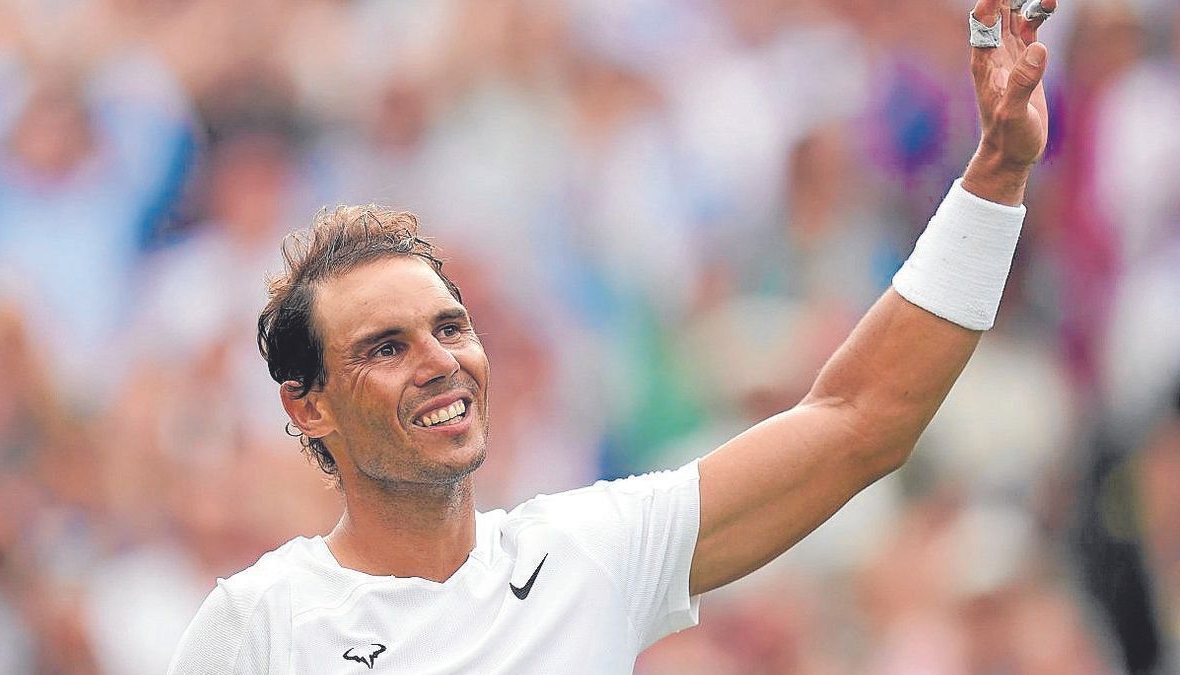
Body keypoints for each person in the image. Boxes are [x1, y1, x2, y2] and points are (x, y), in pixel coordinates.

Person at [168, 0, 1059, 671]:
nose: (442, 362)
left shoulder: (590, 549)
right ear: (306, 403)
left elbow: (862, 418)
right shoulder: (261, 622)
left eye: (451, 326)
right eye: (386, 346)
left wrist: (998, 171)